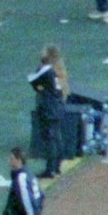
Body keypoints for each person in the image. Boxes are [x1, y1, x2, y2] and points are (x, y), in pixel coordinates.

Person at [28, 45, 69, 179]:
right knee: (57, 138)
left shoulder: (46, 70)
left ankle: (50, 169)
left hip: (49, 108)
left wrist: (40, 89)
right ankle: (56, 167)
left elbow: (32, 79)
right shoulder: (58, 70)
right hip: (58, 106)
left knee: (51, 138)